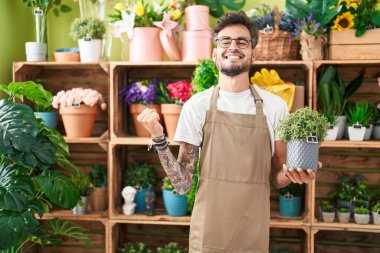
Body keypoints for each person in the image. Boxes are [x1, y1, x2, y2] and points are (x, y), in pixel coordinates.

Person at [137, 10, 319, 253]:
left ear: (253, 53)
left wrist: (293, 175)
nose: (233, 46)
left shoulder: (274, 107)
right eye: (226, 41)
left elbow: (276, 176)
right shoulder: (197, 106)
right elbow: (182, 185)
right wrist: (159, 138)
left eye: (242, 41)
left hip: (252, 232)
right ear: (214, 53)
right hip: (208, 234)